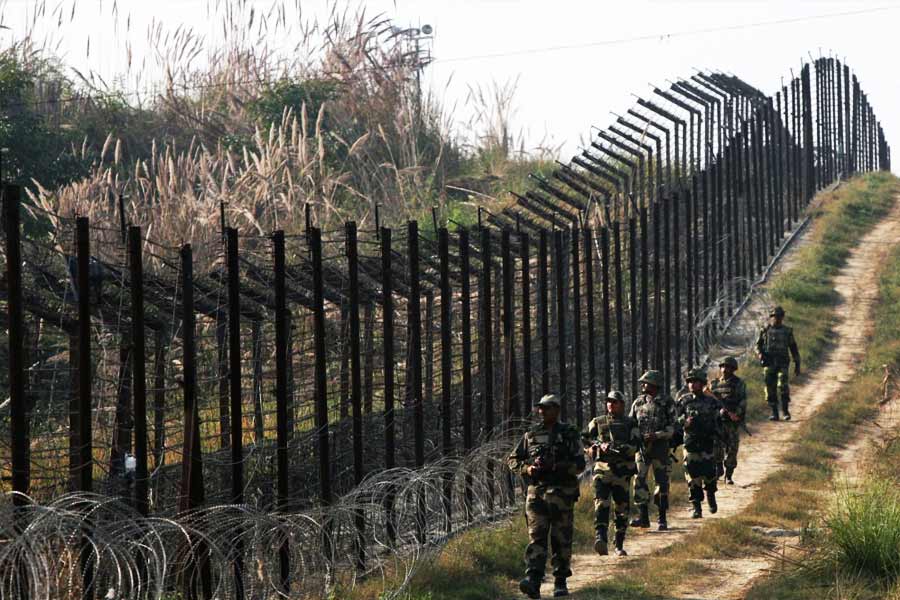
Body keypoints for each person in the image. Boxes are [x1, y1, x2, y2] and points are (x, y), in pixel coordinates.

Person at [508, 394, 586, 598]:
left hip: (562, 495)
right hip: (537, 496)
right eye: (540, 408)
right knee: (536, 538)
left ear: (557, 410)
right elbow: (513, 460)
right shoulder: (531, 435)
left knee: (561, 538)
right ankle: (533, 580)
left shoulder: (569, 434)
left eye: (547, 408)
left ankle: (560, 581)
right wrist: (528, 469)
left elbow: (580, 464)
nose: (542, 411)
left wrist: (556, 466)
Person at [583, 390, 641, 557]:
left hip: (622, 472)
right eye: (608, 401)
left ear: (622, 405)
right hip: (602, 469)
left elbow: (636, 445)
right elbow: (585, 438)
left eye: (614, 402)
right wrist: (594, 447)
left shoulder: (630, 423)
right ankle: (600, 537)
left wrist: (620, 449)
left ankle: (619, 543)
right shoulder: (598, 422)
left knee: (622, 508)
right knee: (601, 504)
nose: (611, 404)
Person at [628, 369, 677, 530]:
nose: (643, 385)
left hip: (660, 448)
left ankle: (662, 518)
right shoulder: (638, 402)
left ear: (654, 384)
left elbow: (673, 428)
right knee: (639, 481)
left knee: (662, 483)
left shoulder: (667, 402)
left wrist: (657, 435)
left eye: (646, 382)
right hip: (642, 449)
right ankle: (643, 518)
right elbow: (631, 423)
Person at [676, 368, 723, 519]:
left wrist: (720, 438)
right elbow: (675, 419)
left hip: (707, 442)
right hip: (691, 443)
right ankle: (696, 506)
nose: (692, 385)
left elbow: (719, 421)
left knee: (710, 473)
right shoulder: (684, 401)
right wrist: (685, 422)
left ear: (702, 383)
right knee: (692, 476)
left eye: (695, 382)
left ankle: (710, 495)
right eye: (690, 382)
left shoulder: (711, 401)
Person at [756, 305, 801, 421]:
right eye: (775, 316)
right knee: (770, 388)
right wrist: (760, 354)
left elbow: (793, 347)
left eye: (780, 316)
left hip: (782, 363)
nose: (777, 318)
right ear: (771, 317)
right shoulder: (765, 331)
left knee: (783, 386)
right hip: (769, 362)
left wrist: (797, 364)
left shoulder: (787, 331)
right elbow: (758, 345)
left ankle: (785, 411)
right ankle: (774, 412)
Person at [708, 357, 748, 485]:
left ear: (733, 369)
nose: (725, 370)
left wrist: (736, 414)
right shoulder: (713, 384)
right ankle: (718, 469)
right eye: (723, 367)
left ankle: (729, 475)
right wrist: (718, 412)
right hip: (718, 422)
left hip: (732, 422)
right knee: (716, 447)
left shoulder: (739, 383)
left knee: (732, 448)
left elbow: (743, 401)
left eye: (728, 367)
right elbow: (709, 402)